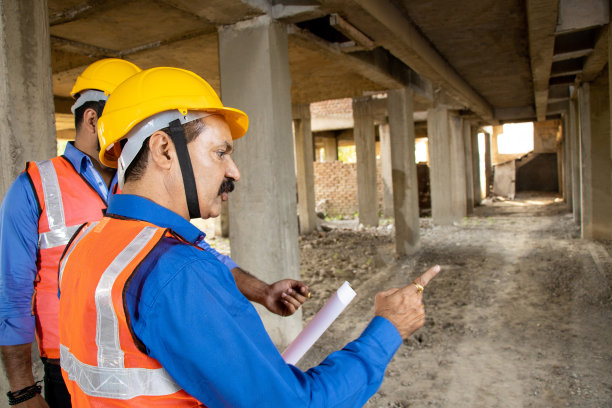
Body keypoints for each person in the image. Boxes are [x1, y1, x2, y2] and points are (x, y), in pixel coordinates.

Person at [58, 67, 440, 407]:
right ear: (163, 149)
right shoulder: (176, 271)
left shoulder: (84, 242)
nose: (235, 171)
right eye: (221, 153)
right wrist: (387, 329)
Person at [0, 59, 307, 408]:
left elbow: (193, 252)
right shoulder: (37, 188)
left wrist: (262, 291)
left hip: (147, 361)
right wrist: (24, 389)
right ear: (92, 120)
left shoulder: (138, 184)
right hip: (70, 370)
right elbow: (12, 293)